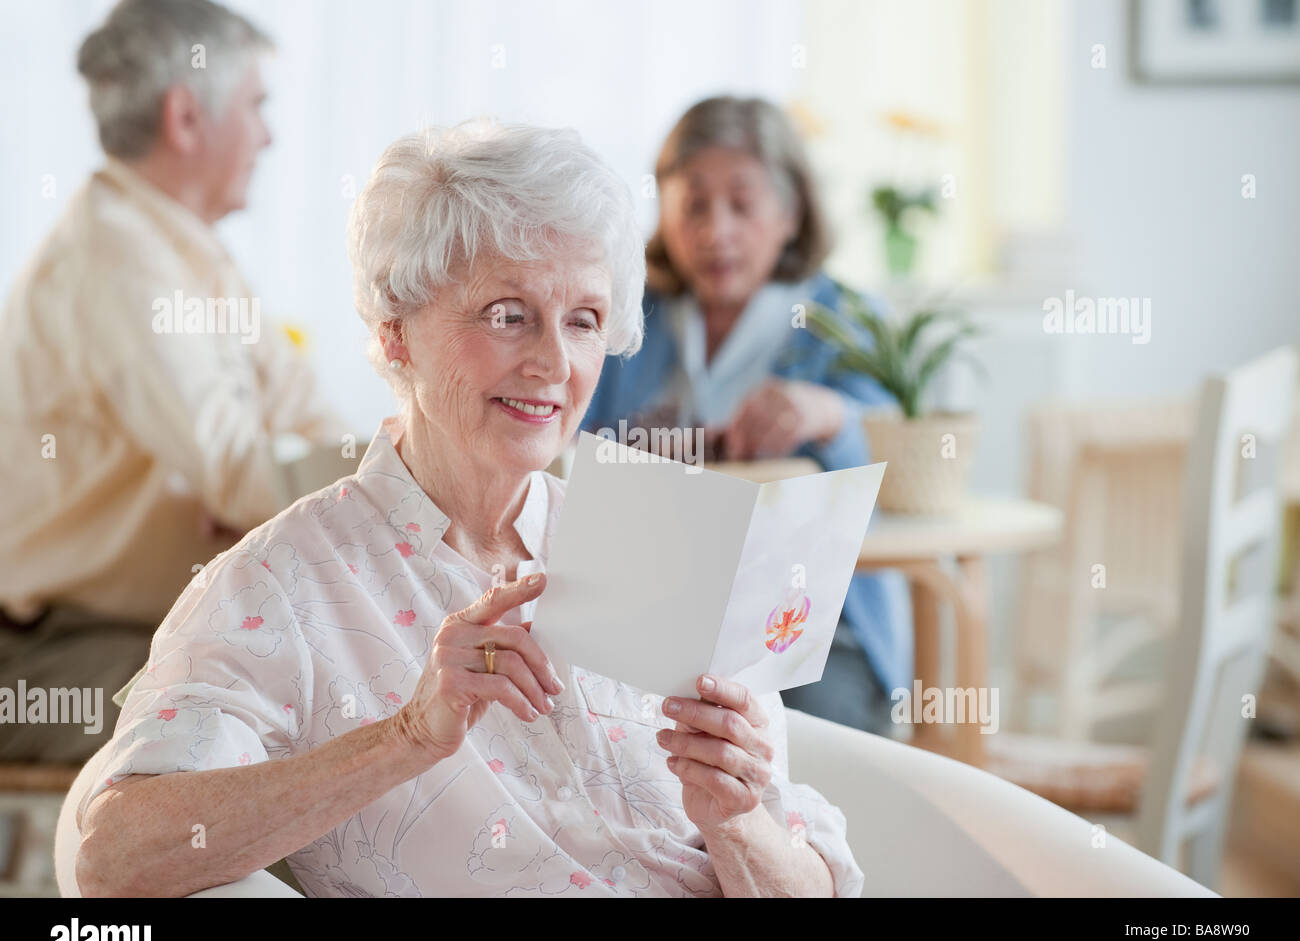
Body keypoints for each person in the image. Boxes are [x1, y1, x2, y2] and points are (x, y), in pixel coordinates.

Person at [73, 121, 864, 898]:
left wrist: (736, 823)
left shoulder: (666, 542)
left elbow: (813, 877)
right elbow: (114, 855)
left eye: (583, 320)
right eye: (507, 314)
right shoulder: (282, 586)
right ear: (395, 334)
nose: (554, 362)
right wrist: (407, 737)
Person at [0, 0, 345, 763]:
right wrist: (275, 503)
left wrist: (376, 493)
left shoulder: (186, 248)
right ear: (186, 118)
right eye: (257, 106)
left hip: (153, 625)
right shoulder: (118, 261)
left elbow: (306, 419)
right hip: (57, 653)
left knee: (335, 689)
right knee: (296, 721)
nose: (269, 134)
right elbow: (241, 474)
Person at [581, 96, 912, 736]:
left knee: (808, 764)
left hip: (812, 635)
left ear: (790, 214)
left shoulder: (844, 319)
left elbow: (904, 458)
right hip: (650, 618)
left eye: (742, 203)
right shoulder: (627, 316)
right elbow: (567, 450)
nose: (715, 231)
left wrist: (828, 414)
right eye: (694, 204)